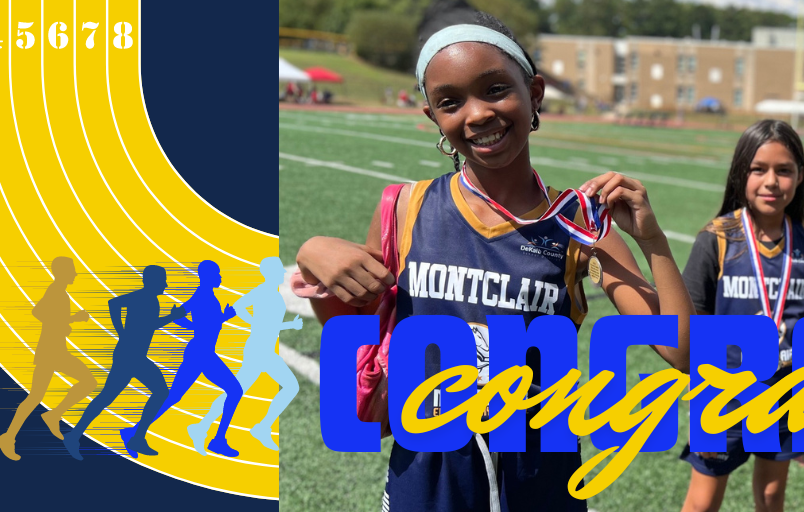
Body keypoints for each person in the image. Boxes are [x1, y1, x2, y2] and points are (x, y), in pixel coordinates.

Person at [293, 12, 693, 511]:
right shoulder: (405, 207)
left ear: (536, 93)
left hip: (540, 474)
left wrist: (653, 241)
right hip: (428, 471)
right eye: (450, 102)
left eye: (496, 89)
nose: (477, 114)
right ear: (433, 119)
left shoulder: (580, 227)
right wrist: (311, 251)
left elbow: (682, 352)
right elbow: (354, 309)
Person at [676, 120, 804, 512]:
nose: (771, 181)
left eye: (784, 170)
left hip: (784, 395)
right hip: (723, 396)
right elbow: (693, 323)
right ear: (740, 173)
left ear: (799, 178)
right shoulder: (715, 239)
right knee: (703, 501)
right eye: (758, 169)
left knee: (770, 497)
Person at [118, 260, 244, 458]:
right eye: (217, 274)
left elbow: (187, 319)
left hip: (201, 353)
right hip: (201, 354)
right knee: (234, 390)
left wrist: (216, 319)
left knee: (174, 396)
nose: (220, 277)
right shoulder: (203, 296)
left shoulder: (206, 296)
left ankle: (132, 432)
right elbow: (186, 319)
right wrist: (218, 319)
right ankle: (218, 440)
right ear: (208, 276)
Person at [63, 265, 186, 460]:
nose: (166, 284)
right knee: (157, 392)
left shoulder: (147, 298)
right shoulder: (146, 299)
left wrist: (122, 332)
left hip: (132, 355)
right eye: (163, 281)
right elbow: (131, 314)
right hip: (130, 357)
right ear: (153, 282)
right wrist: (172, 317)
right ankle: (80, 436)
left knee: (108, 397)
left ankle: (77, 435)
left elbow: (119, 306)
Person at [187, 256, 303, 454]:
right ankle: (208, 428)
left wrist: (289, 325)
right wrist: (253, 323)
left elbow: (270, 325)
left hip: (265, 349)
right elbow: (239, 307)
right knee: (240, 390)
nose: (283, 273)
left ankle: (208, 427)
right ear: (269, 273)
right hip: (258, 350)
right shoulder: (262, 292)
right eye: (278, 270)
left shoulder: (273, 295)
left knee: (245, 389)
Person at [0, 257, 97, 461]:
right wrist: (74, 319)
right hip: (51, 352)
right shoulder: (57, 292)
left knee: (40, 395)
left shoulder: (58, 291)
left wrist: (64, 324)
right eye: (72, 271)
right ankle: (12, 435)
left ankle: (48, 418)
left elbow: (40, 313)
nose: (75, 274)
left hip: (55, 351)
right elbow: (42, 314)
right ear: (63, 272)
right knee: (80, 384)